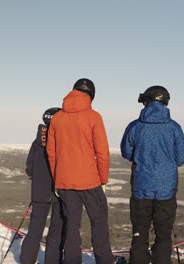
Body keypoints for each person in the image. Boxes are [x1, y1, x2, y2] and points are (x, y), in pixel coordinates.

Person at [46, 78, 115, 264]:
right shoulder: (93, 116)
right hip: (90, 181)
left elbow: (51, 153)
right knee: (99, 224)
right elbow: (102, 152)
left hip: (65, 182)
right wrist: (103, 179)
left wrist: (57, 179)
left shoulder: (57, 118)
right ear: (91, 95)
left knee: (71, 227)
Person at [120, 85, 184, 264]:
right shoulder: (174, 128)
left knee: (139, 235)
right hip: (166, 191)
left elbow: (126, 152)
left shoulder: (135, 127)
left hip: (141, 189)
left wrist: (142, 157)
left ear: (147, 101)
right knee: (164, 236)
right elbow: (181, 158)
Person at [20, 107, 64, 264]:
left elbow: (29, 169)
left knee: (35, 228)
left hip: (39, 192)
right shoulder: (61, 140)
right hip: (60, 191)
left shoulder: (37, 142)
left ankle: (27, 260)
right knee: (57, 229)